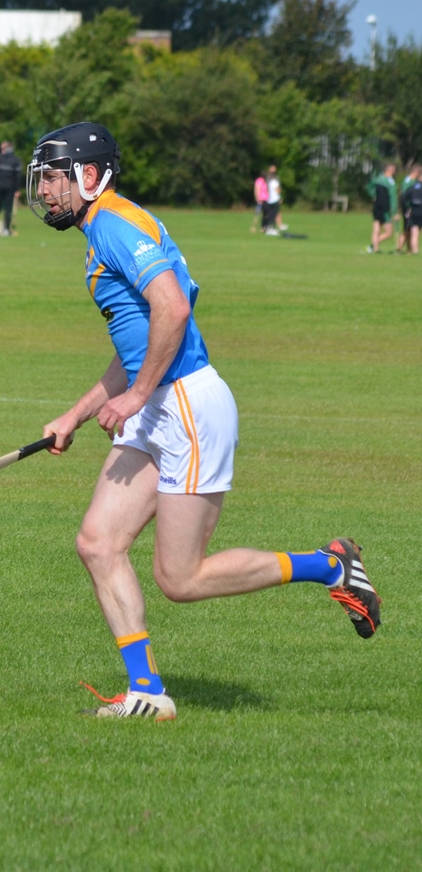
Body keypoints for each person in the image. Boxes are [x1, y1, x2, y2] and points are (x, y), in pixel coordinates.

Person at [25, 122, 381, 721]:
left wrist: (137, 397)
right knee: (98, 542)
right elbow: (142, 340)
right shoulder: (106, 228)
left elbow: (174, 307)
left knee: (180, 577)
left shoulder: (114, 224)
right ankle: (148, 693)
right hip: (159, 401)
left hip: (186, 404)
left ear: (89, 177)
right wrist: (79, 412)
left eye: (54, 179)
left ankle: (330, 564)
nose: (46, 192)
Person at [0, 141, 23, 236]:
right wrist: (17, 189)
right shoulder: (12, 159)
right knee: (3, 210)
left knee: (0, 209)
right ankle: (0, 229)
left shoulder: (11, 160)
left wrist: (16, 190)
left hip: (3, 188)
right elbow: (18, 177)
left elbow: (17, 176)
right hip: (6, 188)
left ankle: (1, 229)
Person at [401, 165, 422, 255]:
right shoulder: (410, 183)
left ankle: (414, 251)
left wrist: (407, 208)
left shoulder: (412, 186)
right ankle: (402, 249)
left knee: (413, 232)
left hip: (413, 210)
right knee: (412, 232)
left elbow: (403, 198)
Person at [262, 165, 284, 234]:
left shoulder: (268, 183)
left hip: (269, 200)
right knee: (273, 215)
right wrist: (280, 197)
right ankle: (270, 229)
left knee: (271, 215)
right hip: (275, 200)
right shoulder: (275, 182)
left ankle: (269, 228)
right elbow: (278, 191)